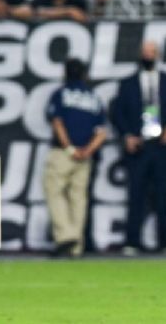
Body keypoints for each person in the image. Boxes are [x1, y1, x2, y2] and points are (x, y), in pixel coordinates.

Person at [112, 41, 166, 255]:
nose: (148, 55)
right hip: (138, 146)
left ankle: (165, 241)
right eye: (144, 52)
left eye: (151, 52)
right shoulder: (128, 83)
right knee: (135, 195)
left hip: (162, 146)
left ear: (158, 55)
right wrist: (126, 135)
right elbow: (118, 113)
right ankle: (132, 241)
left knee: (163, 195)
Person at [43, 59, 107, 257]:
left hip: (64, 153)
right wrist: (87, 150)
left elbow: (58, 122)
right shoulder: (93, 97)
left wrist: (70, 148)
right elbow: (102, 132)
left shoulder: (61, 94)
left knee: (55, 193)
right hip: (85, 154)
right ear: (84, 75)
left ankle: (66, 237)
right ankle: (77, 245)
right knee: (78, 198)